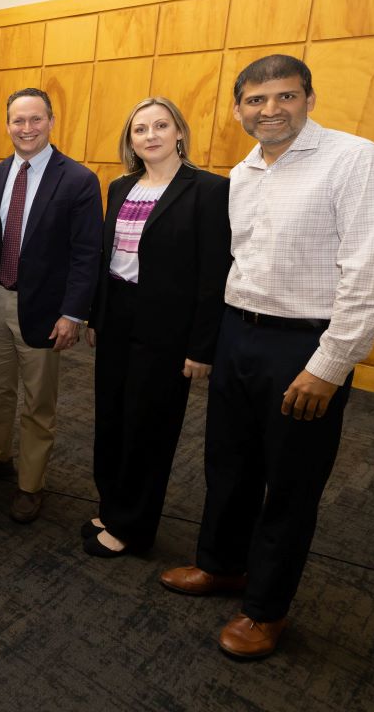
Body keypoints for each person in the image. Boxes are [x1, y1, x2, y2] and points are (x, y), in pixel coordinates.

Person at [159, 55, 374, 659]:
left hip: (305, 345)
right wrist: (215, 342)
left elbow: (371, 273)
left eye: (285, 97)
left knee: (289, 484)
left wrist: (330, 364)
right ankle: (222, 566)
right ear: (239, 108)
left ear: (309, 99)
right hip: (240, 334)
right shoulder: (243, 173)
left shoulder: (355, 160)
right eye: (256, 101)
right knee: (228, 464)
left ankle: (266, 609)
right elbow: (239, 263)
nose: (271, 110)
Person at [83, 98, 231, 558]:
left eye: (160, 125)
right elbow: (107, 257)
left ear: (179, 132)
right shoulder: (121, 186)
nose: (150, 135)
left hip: (168, 328)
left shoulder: (208, 190)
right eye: (140, 129)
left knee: (149, 427)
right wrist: (98, 316)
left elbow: (214, 275)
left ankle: (133, 526)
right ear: (130, 140)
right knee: (111, 418)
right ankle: (112, 505)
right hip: (117, 317)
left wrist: (202, 347)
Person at [0, 88, 102, 525]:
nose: (26, 128)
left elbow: (86, 253)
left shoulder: (77, 180)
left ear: (52, 121)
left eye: (35, 119)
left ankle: (30, 483)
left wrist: (74, 313)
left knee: (39, 401)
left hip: (44, 308)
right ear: (7, 125)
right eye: (18, 121)